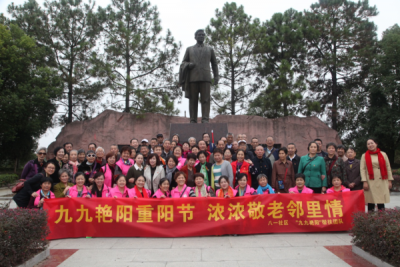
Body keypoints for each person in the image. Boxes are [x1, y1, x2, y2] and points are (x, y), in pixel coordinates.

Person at [180, 29, 219, 123]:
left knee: (205, 99)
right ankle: (193, 120)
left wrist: (216, 76)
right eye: (199, 35)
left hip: (205, 77)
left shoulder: (210, 49)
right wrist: (188, 65)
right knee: (193, 100)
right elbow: (183, 62)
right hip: (193, 78)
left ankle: (205, 119)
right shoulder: (189, 49)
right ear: (195, 37)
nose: (201, 36)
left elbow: (214, 64)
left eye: (203, 35)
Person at [361, 138, 393, 211]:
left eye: (372, 143)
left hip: (382, 180)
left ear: (376, 144)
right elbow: (362, 169)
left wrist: (390, 180)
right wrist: (364, 181)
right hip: (370, 181)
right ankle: (371, 219)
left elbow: (388, 167)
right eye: (368, 144)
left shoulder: (383, 154)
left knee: (381, 201)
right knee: (371, 201)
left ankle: (381, 219)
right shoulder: (364, 155)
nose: (370, 145)